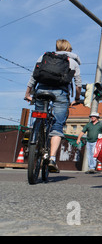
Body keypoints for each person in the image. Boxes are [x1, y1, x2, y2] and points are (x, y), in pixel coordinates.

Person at [25, 39, 82, 173]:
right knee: (57, 126)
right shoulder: (72, 62)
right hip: (60, 93)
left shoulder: (44, 57)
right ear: (69, 49)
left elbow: (34, 77)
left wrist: (27, 94)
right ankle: (51, 158)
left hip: (41, 90)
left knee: (39, 115)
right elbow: (78, 83)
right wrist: (77, 98)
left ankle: (34, 132)